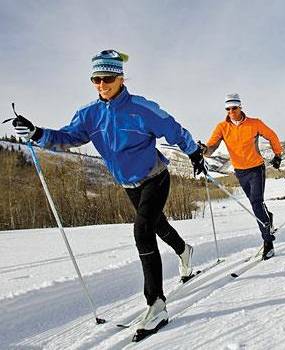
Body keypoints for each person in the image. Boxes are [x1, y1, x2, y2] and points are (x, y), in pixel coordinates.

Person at [9, 49, 206, 341]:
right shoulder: (89, 114)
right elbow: (68, 137)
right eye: (96, 79)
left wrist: (194, 153)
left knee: (142, 231)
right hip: (128, 185)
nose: (102, 84)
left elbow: (173, 129)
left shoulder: (141, 108)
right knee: (158, 225)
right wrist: (37, 133)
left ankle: (157, 304)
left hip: (155, 178)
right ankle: (184, 251)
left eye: (108, 78)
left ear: (121, 77)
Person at [204, 93, 283, 260]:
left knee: (256, 203)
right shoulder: (222, 127)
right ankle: (268, 218)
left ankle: (268, 242)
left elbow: (272, 136)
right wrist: (203, 151)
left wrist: (277, 155)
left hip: (256, 169)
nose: (231, 111)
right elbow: (212, 146)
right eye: (228, 108)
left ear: (240, 107)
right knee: (256, 204)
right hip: (240, 171)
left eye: (234, 107)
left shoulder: (255, 123)